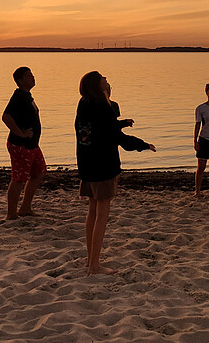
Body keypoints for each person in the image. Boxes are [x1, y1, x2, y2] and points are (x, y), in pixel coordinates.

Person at [75, 71, 156, 275]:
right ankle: (94, 265)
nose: (106, 79)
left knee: (92, 211)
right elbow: (115, 137)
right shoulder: (104, 106)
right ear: (96, 84)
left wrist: (120, 122)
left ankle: (90, 260)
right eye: (103, 78)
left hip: (87, 164)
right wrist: (143, 145)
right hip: (103, 165)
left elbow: (96, 129)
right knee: (101, 215)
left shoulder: (84, 103)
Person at [2, 66, 45, 220]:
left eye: (32, 74)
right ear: (20, 81)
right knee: (18, 178)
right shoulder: (18, 96)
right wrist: (20, 133)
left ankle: (25, 207)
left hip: (32, 144)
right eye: (28, 76)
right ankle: (11, 214)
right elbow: (6, 116)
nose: (32, 77)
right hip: (20, 145)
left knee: (39, 172)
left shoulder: (27, 96)